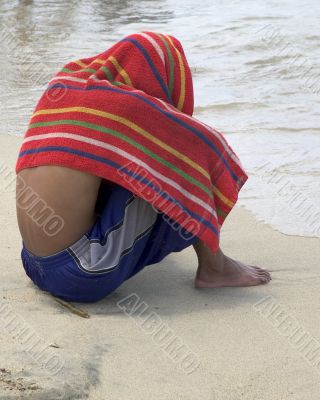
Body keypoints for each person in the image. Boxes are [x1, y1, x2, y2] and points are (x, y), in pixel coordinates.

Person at [16, 32, 271, 303]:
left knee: (136, 162)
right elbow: (210, 151)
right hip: (83, 274)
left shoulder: (66, 86)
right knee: (179, 165)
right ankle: (215, 268)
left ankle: (210, 264)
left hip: (32, 263)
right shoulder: (127, 106)